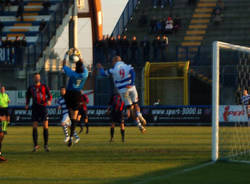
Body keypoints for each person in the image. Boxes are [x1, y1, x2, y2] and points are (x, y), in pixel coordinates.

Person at [97, 56, 147, 133]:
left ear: (115, 61)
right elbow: (132, 72)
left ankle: (139, 125)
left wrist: (100, 68)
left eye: (113, 62)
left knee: (131, 108)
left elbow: (103, 74)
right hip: (131, 87)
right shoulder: (127, 66)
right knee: (136, 104)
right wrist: (132, 83)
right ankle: (140, 115)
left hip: (123, 90)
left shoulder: (113, 70)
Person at [63, 49, 88, 147]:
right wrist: (80, 55)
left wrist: (65, 55)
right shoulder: (85, 73)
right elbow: (82, 66)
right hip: (77, 95)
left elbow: (64, 65)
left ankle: (70, 135)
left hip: (69, 94)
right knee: (74, 117)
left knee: (70, 114)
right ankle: (72, 136)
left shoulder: (73, 74)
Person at [26, 73, 52, 152]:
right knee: (34, 126)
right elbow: (28, 96)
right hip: (35, 107)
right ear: (34, 78)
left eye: (38, 77)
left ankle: (46, 145)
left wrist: (49, 100)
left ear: (40, 78)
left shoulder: (44, 86)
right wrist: (27, 104)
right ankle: (35, 145)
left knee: (45, 125)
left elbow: (50, 95)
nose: (37, 78)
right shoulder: (31, 87)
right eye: (35, 77)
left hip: (43, 107)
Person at [0, 86, 10, 162]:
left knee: (1, 134)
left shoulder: (6, 95)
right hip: (1, 109)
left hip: (5, 108)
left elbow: (8, 101)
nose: (2, 90)